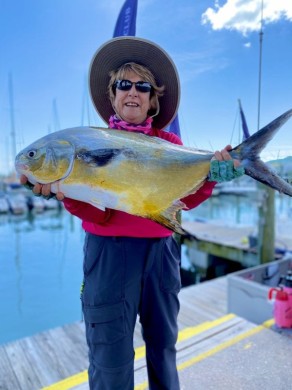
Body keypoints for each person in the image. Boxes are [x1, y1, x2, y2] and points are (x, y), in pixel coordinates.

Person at [20, 37, 244, 390]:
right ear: (112, 95)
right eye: (124, 84)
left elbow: (181, 201)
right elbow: (99, 214)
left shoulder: (170, 146)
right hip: (109, 256)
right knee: (110, 359)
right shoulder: (90, 141)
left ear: (153, 99)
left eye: (143, 86)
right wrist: (64, 194)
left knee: (163, 349)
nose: (133, 92)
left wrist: (212, 176)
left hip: (162, 255)